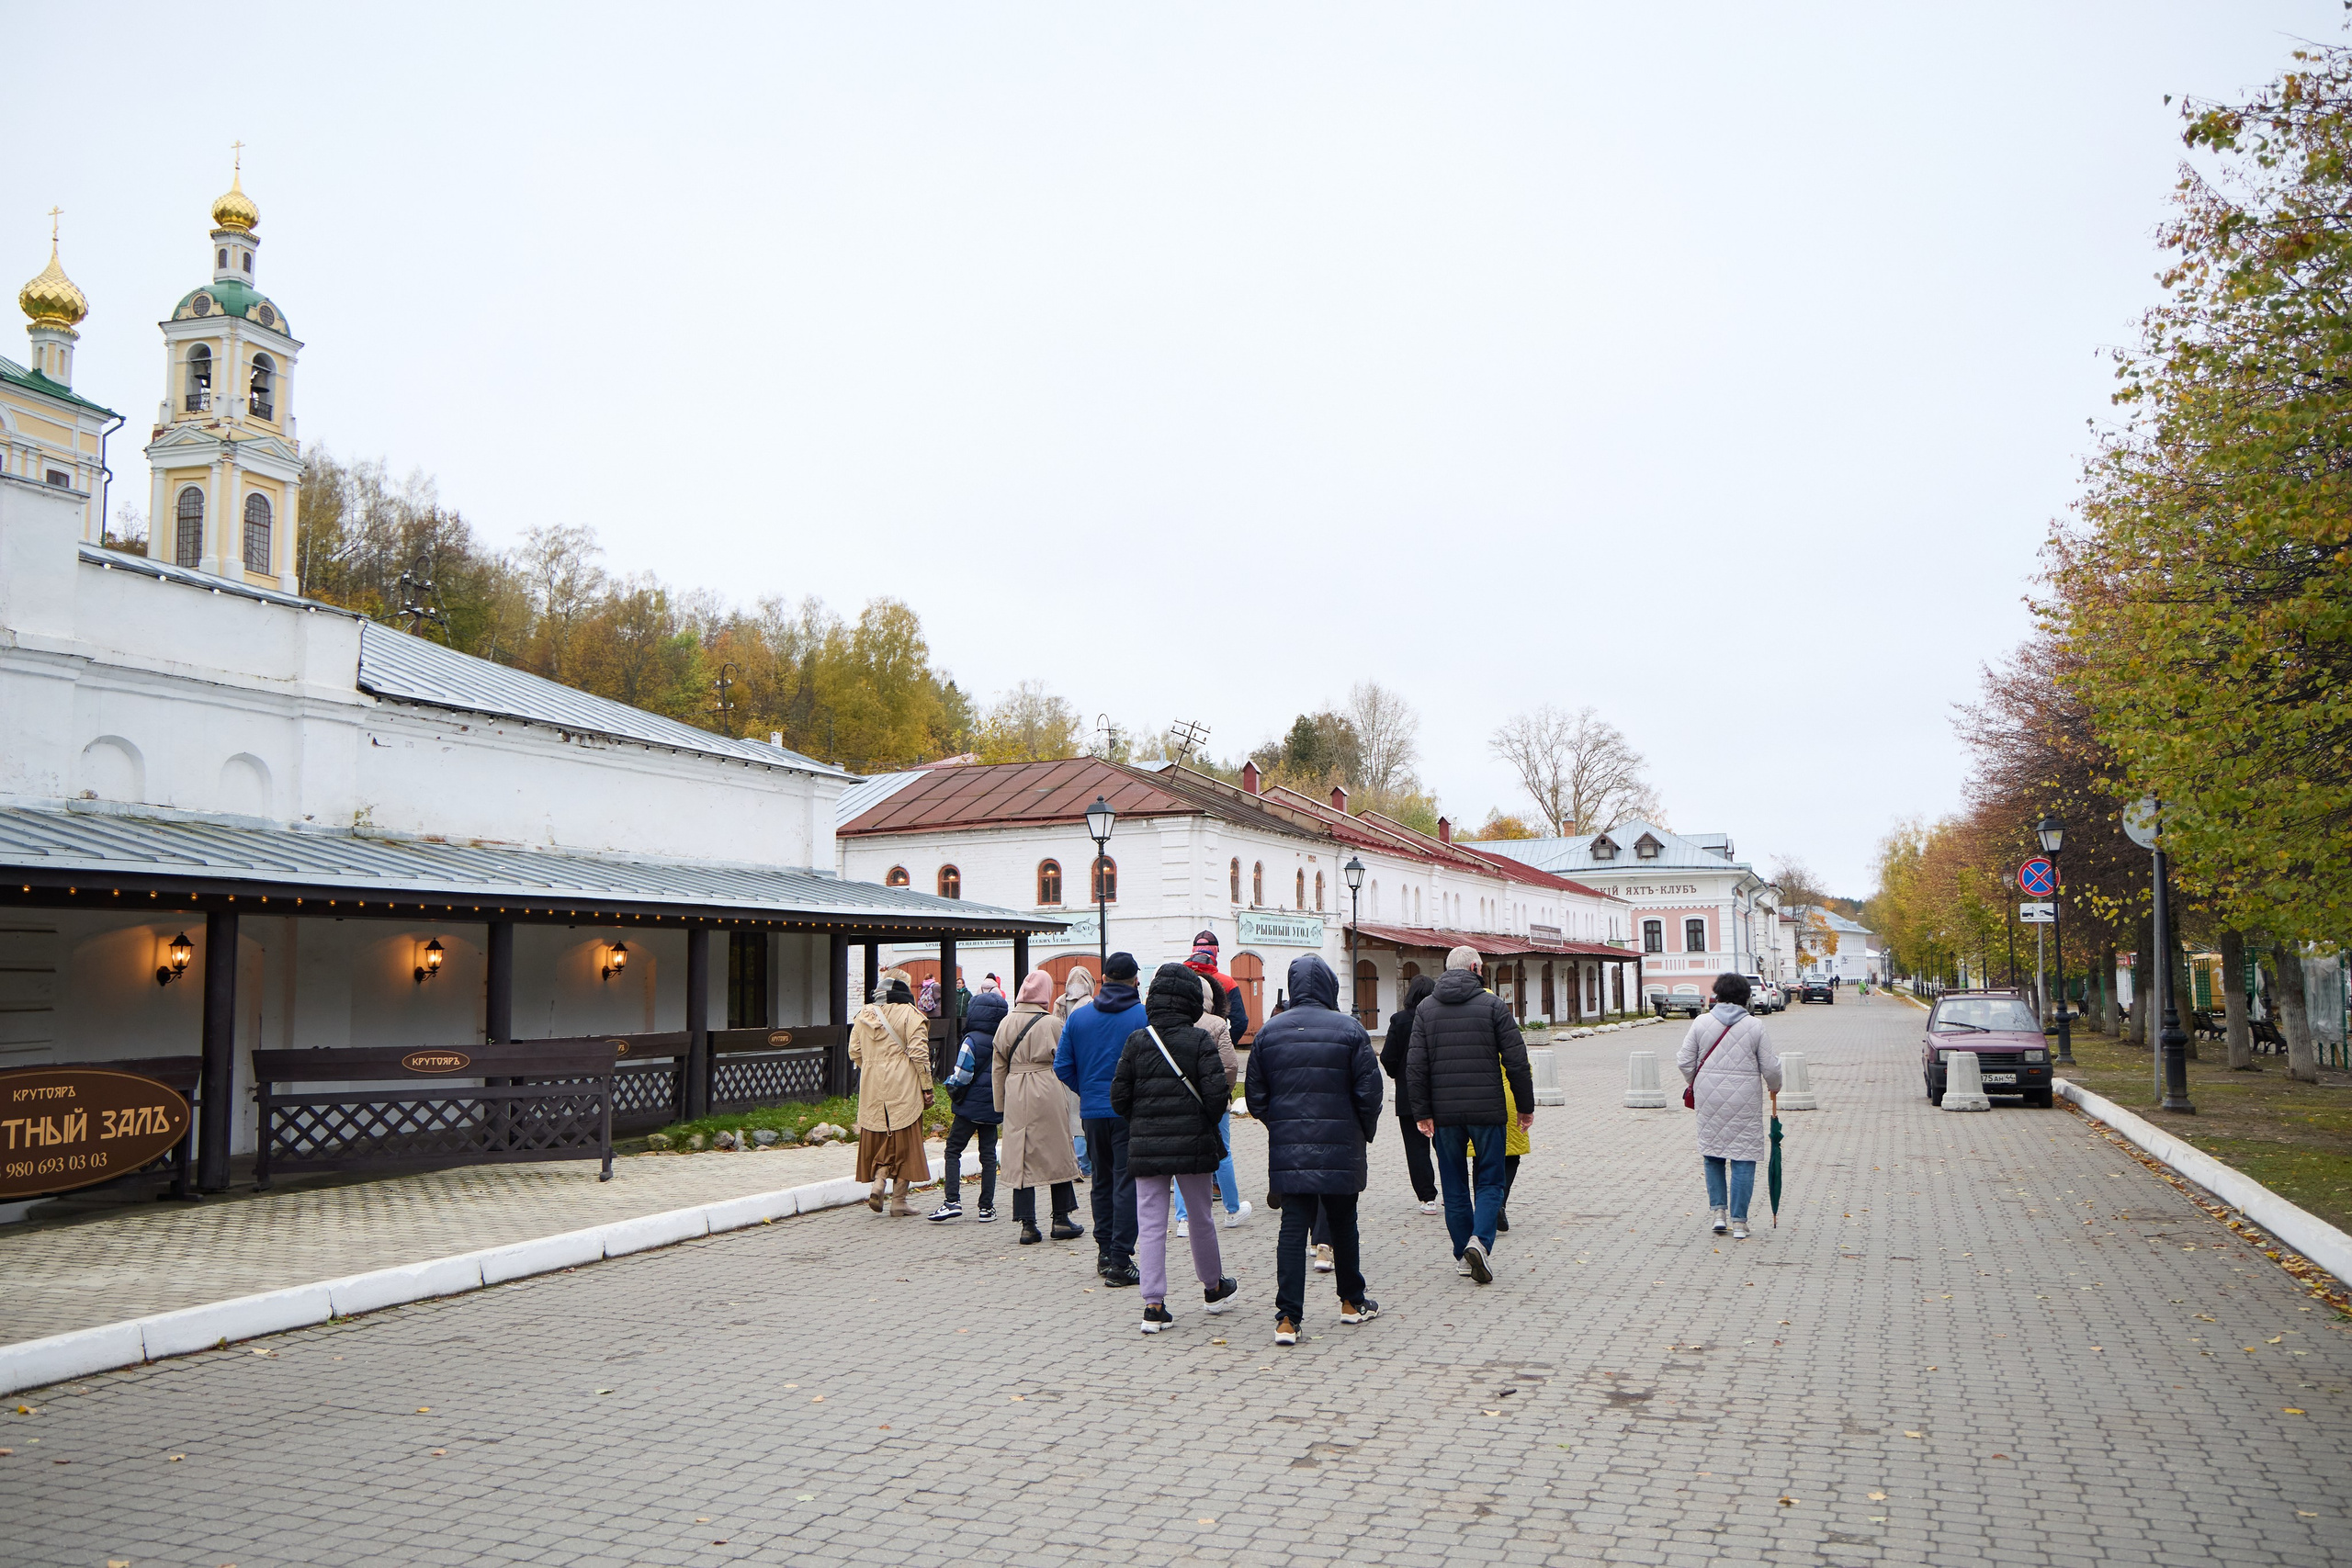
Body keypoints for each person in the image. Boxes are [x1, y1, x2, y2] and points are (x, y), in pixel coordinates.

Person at [1245, 953, 1384, 1345]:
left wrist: (1281, 1126)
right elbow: (1370, 1093)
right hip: (1341, 1144)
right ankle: (1351, 1303)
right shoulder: (1350, 1029)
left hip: (1290, 1149)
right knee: (1343, 1224)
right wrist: (1360, 1132)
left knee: (1292, 1228)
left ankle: (1287, 1318)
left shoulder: (1269, 1032)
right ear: (1328, 985)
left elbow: (1255, 1096)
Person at [1112, 963, 1239, 1334]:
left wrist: (1143, 1120)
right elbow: (1217, 1095)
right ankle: (1213, 1288)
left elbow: (1119, 1098)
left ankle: (1153, 1305)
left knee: (1150, 1223)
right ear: (1190, 1000)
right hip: (1194, 1144)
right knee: (1200, 1218)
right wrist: (1198, 1118)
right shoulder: (1199, 1040)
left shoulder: (1137, 1041)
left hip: (1146, 1146)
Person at [1406, 945, 1533, 1285]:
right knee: (1490, 1180)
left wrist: (1422, 1112)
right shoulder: (1492, 1005)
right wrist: (1525, 1106)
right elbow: (1516, 1059)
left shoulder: (1426, 1008)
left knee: (1454, 1184)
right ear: (1476, 967)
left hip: (1445, 1115)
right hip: (1487, 1111)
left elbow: (1415, 1065)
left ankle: (1463, 1253)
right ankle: (1479, 1242)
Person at [1057, 952, 1148, 1287]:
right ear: (1135, 980)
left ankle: (1105, 1252)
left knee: (1101, 1182)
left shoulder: (1079, 1018)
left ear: (1104, 979)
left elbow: (1062, 1066)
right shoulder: (1142, 1016)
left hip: (1093, 1112)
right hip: (1129, 1112)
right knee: (1127, 1183)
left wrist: (1089, 1092)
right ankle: (1122, 1259)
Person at [1678, 972, 1782, 1241]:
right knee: (1743, 1156)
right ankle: (1739, 1222)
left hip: (1709, 1098)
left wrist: (1696, 1083)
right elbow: (1770, 1067)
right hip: (1745, 1100)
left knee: (1713, 1154)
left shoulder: (1701, 1023)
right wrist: (1775, 1086)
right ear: (1745, 997)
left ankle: (1718, 1215)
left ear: (1718, 994)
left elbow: (1684, 1061)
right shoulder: (1755, 1026)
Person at [994, 970, 1082, 1245]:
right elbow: (1067, 1060)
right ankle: (1061, 1218)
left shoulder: (1006, 1023)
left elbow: (998, 1065)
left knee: (1021, 1154)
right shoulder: (1052, 1023)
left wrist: (1000, 1104)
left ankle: (1027, 1224)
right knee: (1058, 1150)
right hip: (1047, 1087)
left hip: (1016, 1088)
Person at [848, 967, 933, 1216]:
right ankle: (899, 1201)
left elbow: (854, 1051)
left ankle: (879, 1181)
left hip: (873, 1088)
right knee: (906, 1140)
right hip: (904, 1086)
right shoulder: (911, 1014)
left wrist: (873, 1067)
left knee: (881, 1135)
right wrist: (926, 1087)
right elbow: (919, 1053)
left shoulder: (863, 1014)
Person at [1173, 971, 1250, 1235]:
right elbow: (1229, 1065)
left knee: (1182, 1157)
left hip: (1181, 1101)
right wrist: (1224, 1094)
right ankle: (1232, 1209)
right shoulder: (1217, 1024)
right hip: (1213, 1099)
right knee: (1223, 1152)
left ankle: (1183, 1219)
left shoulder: (1173, 1021)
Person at [930, 984, 1005, 1222]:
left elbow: (962, 1074)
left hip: (968, 1108)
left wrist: (950, 1086)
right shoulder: (1002, 1040)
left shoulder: (970, 1040)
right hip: (992, 1106)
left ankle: (952, 1201)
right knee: (989, 1156)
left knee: (953, 1150)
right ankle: (986, 1208)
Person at [1379, 973, 1440, 1214]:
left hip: (1410, 1095)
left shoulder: (1400, 1020)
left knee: (1416, 1149)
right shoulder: (1439, 1018)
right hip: (1441, 1094)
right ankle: (1454, 1192)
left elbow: (1387, 1056)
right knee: (1445, 1145)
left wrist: (1399, 1076)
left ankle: (1428, 1198)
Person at [1057, 966, 1096, 1177]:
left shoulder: (1060, 1002)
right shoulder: (1091, 1004)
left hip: (1066, 1066)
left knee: (1071, 1117)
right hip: (1086, 1064)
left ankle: (1077, 1163)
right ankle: (1087, 1164)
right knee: (1082, 1118)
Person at [1182, 930, 1251, 1042]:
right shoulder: (1227, 982)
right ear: (1215, 952)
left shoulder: (1177, 977)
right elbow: (1240, 1023)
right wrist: (1225, 1043)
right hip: (1214, 1047)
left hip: (1180, 1045)